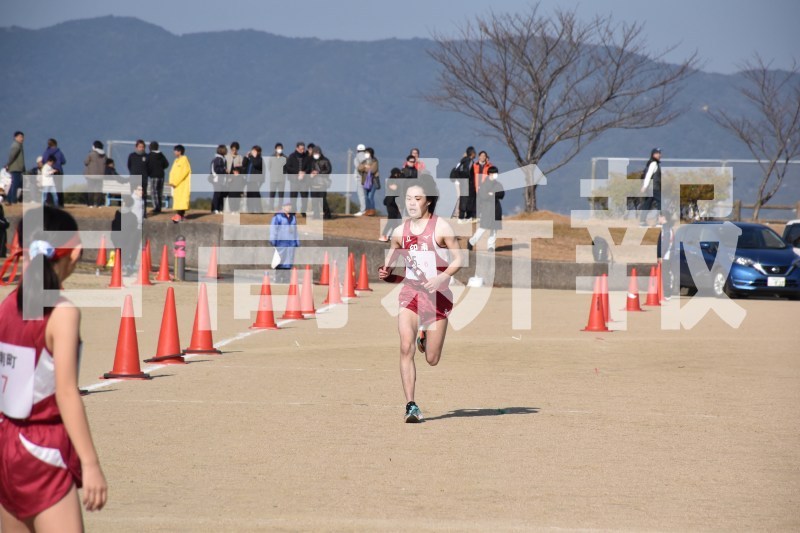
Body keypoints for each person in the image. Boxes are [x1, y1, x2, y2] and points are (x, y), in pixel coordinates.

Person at [0, 206, 108, 531]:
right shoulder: (62, 314)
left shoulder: (7, 305)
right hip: (41, 450)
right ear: (75, 252)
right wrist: (90, 463)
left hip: (6, 443)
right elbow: (66, 393)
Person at [378, 173, 462, 423]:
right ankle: (411, 405)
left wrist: (440, 277)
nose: (412, 203)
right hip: (411, 293)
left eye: (417, 198)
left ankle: (424, 335)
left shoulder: (441, 228)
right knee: (406, 346)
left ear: (429, 201)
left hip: (438, 297)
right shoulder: (399, 231)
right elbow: (391, 262)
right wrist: (386, 271)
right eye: (408, 198)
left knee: (432, 359)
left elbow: (459, 259)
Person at [468, 166, 504, 252]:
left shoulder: (498, 184)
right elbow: (483, 196)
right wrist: (492, 194)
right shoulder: (484, 184)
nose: (496, 175)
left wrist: (492, 194)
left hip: (496, 209)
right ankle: (471, 241)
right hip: (487, 209)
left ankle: (491, 246)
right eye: (495, 173)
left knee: (494, 230)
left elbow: (502, 194)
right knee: (483, 228)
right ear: (490, 174)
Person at [269, 200, 299, 283]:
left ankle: (286, 279)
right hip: (281, 242)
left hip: (291, 243)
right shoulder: (278, 216)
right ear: (283, 207)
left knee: (289, 260)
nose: (289, 207)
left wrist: (297, 240)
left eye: (290, 205)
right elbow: (273, 228)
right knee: (280, 260)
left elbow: (295, 230)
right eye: (287, 205)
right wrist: (273, 239)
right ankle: (278, 278)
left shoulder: (293, 217)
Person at [283, 142, 308, 216]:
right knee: (293, 196)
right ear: (297, 148)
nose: (302, 150)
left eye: (303, 149)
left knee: (304, 196)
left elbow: (309, 167)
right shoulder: (291, 156)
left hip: (304, 180)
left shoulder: (306, 157)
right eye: (300, 149)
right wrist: (297, 172)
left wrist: (304, 172)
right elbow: (288, 167)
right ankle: (293, 211)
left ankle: (303, 211)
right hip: (294, 180)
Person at [639, 148, 662, 226]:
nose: (659, 155)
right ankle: (660, 221)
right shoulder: (653, 163)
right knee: (661, 203)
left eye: (660, 153)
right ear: (653, 154)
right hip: (654, 188)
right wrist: (645, 186)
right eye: (657, 153)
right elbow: (648, 175)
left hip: (651, 188)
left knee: (647, 204)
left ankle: (642, 222)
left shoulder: (652, 163)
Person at [380, 167, 404, 242]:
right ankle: (384, 235)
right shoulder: (391, 180)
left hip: (395, 203)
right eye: (398, 174)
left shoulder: (397, 181)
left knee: (394, 221)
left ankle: (391, 236)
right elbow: (394, 188)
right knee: (392, 220)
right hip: (390, 202)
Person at [308, 145, 332, 220]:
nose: (316, 154)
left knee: (322, 200)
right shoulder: (310, 161)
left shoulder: (325, 160)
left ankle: (327, 214)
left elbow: (328, 170)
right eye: (315, 153)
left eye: (317, 153)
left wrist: (318, 172)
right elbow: (307, 169)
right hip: (313, 183)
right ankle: (316, 215)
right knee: (314, 201)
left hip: (322, 183)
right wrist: (310, 174)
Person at [169, 145, 191, 223]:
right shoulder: (176, 161)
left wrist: (175, 182)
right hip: (177, 185)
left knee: (182, 200)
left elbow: (182, 173)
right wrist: (171, 181)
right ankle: (180, 215)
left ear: (180, 152)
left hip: (182, 185)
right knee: (178, 200)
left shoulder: (184, 160)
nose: (174, 152)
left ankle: (180, 214)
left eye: (175, 151)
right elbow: (173, 172)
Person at [126, 140, 148, 217]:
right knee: (133, 195)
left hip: (143, 179)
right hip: (134, 179)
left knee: (143, 196)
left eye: (142, 147)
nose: (141, 148)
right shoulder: (132, 156)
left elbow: (149, 167)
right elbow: (129, 165)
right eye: (139, 147)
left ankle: (143, 213)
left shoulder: (147, 156)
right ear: (136, 147)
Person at [41, 139, 66, 207]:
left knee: (48, 189)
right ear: (56, 144)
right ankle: (60, 204)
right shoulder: (59, 152)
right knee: (58, 188)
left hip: (48, 171)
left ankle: (49, 203)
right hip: (58, 171)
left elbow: (43, 161)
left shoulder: (46, 152)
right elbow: (64, 161)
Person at [146, 141, 169, 214]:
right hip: (161, 175)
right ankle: (159, 207)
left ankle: (156, 207)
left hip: (153, 175)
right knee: (159, 192)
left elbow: (146, 165)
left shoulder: (149, 155)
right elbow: (166, 164)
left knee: (154, 191)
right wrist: (160, 167)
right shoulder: (161, 155)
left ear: (150, 147)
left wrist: (149, 172)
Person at [84, 141, 107, 208]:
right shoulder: (104, 155)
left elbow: (85, 162)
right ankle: (99, 204)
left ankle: (90, 204)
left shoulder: (91, 154)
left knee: (91, 189)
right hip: (101, 175)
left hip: (92, 175)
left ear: (94, 146)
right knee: (99, 190)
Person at [357, 147, 380, 216]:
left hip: (373, 181)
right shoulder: (364, 161)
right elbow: (359, 168)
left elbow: (372, 170)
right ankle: (367, 210)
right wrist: (366, 167)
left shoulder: (375, 161)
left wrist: (365, 168)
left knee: (370, 196)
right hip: (365, 181)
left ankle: (372, 210)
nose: (366, 154)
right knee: (366, 197)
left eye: (367, 153)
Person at [5, 131, 25, 205]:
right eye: (20, 137)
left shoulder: (19, 145)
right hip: (15, 167)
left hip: (18, 167)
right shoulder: (16, 145)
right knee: (15, 184)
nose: (22, 138)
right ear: (15, 137)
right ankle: (13, 200)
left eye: (22, 137)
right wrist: (8, 164)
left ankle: (9, 199)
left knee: (15, 183)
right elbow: (12, 156)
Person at [243, 145, 264, 213]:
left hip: (255, 180)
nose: (253, 152)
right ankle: (250, 209)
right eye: (252, 150)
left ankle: (258, 209)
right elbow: (244, 164)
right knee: (249, 195)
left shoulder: (260, 159)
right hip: (248, 180)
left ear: (258, 152)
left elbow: (256, 164)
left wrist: (252, 157)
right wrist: (246, 157)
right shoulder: (250, 159)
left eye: (255, 151)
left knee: (255, 195)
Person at [225, 142, 244, 213]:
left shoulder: (240, 157)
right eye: (233, 149)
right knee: (230, 194)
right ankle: (231, 209)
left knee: (236, 194)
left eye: (235, 150)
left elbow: (242, 168)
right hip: (228, 177)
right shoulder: (227, 156)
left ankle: (236, 209)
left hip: (237, 178)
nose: (234, 151)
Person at [267, 143, 286, 211]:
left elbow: (287, 168)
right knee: (272, 194)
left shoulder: (285, 157)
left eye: (280, 148)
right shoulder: (271, 157)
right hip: (273, 179)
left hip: (282, 179)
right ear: (275, 149)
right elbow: (269, 167)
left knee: (281, 195)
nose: (279, 149)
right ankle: (270, 208)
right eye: (278, 148)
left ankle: (280, 208)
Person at [209, 145, 227, 214]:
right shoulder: (218, 159)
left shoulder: (223, 159)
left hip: (222, 179)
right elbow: (217, 169)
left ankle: (220, 209)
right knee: (217, 194)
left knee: (221, 194)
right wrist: (224, 170)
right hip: (217, 179)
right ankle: (215, 208)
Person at [352, 144, 368, 216]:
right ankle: (367, 209)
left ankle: (363, 210)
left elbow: (359, 166)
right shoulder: (367, 156)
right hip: (366, 177)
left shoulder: (358, 156)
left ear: (357, 150)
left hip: (359, 177)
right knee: (367, 194)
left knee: (361, 194)